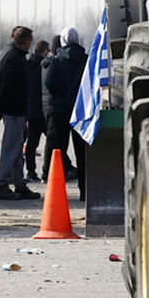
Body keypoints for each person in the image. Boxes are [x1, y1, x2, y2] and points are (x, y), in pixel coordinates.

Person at [0, 26, 42, 201]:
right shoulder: (15, 60)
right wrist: (0, 107)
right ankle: (2, 185)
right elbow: (5, 87)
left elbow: (0, 85)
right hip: (13, 110)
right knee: (10, 149)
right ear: (27, 41)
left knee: (17, 150)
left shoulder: (13, 56)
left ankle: (20, 184)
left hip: (16, 110)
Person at [44, 26, 89, 201]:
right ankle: (84, 191)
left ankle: (57, 192)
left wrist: (59, 94)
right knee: (82, 152)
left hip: (60, 110)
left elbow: (49, 83)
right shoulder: (86, 59)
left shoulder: (56, 60)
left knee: (58, 151)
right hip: (81, 110)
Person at [25, 40, 51, 183]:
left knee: (32, 142)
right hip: (42, 107)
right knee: (53, 139)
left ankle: (30, 170)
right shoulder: (44, 65)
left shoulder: (27, 63)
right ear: (45, 51)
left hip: (31, 107)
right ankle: (65, 166)